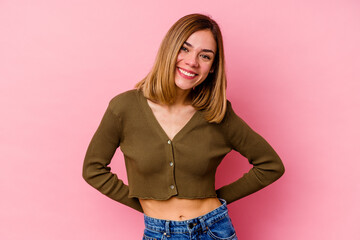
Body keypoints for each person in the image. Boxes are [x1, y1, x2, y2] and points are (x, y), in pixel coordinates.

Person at [82, 13, 285, 240]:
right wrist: (143, 202)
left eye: (205, 56)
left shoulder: (217, 113)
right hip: (158, 232)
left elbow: (270, 166)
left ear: (212, 68)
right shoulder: (124, 108)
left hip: (214, 230)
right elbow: (93, 169)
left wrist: (215, 200)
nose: (193, 62)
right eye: (185, 49)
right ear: (169, 49)